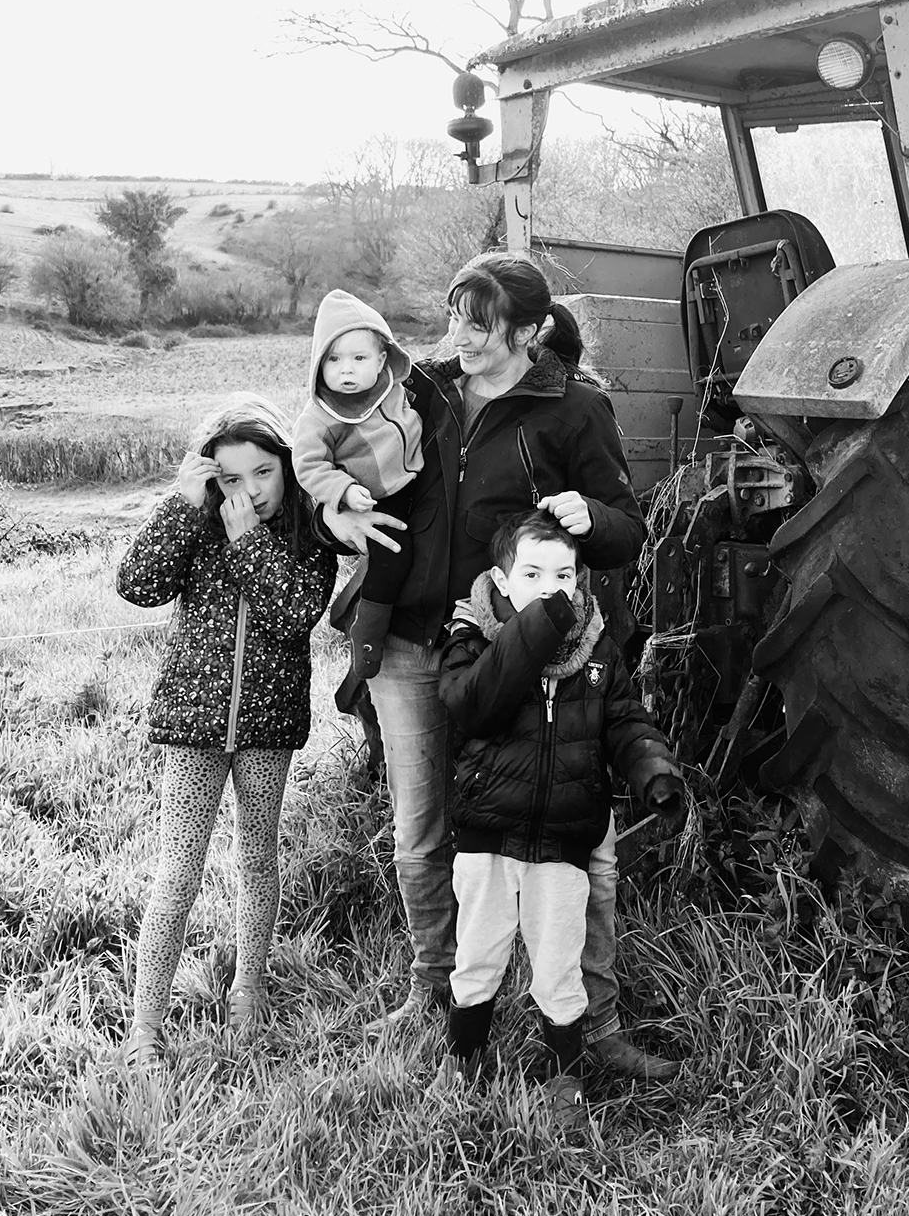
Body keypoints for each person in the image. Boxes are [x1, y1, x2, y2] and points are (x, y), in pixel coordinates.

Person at [321, 249, 681, 1082]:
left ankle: (595, 1022)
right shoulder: (422, 392)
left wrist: (590, 516)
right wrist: (334, 504)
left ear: (528, 331)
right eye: (455, 317)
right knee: (422, 831)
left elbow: (627, 530)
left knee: (579, 841)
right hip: (412, 637)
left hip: (524, 652)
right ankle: (437, 993)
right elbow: (333, 445)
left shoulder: (574, 410)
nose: (460, 337)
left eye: (480, 324)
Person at [438, 513, 687, 1123]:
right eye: (532, 575)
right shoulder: (473, 637)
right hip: (489, 837)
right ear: (501, 580)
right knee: (477, 957)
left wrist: (653, 770)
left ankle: (563, 1080)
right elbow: (469, 704)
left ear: (581, 580)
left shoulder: (596, 650)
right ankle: (464, 1061)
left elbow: (624, 721)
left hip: (562, 841)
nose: (551, 589)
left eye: (564, 576)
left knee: (559, 967)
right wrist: (534, 632)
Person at [116, 393, 336, 1070]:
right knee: (178, 871)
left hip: (268, 727)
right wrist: (182, 507)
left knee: (257, 856)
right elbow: (136, 585)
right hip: (195, 727)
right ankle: (146, 1026)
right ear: (213, 478)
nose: (252, 490)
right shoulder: (197, 524)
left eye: (264, 472)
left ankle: (249, 986)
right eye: (233, 478)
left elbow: (293, 615)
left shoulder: (309, 536)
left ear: (287, 466)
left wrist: (249, 545)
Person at [291, 287, 426, 710]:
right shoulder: (320, 416)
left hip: (415, 481)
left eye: (359, 358)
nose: (346, 369)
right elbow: (308, 466)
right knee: (392, 554)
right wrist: (344, 492)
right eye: (333, 360)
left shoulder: (395, 389)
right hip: (371, 498)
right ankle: (367, 631)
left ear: (383, 360)